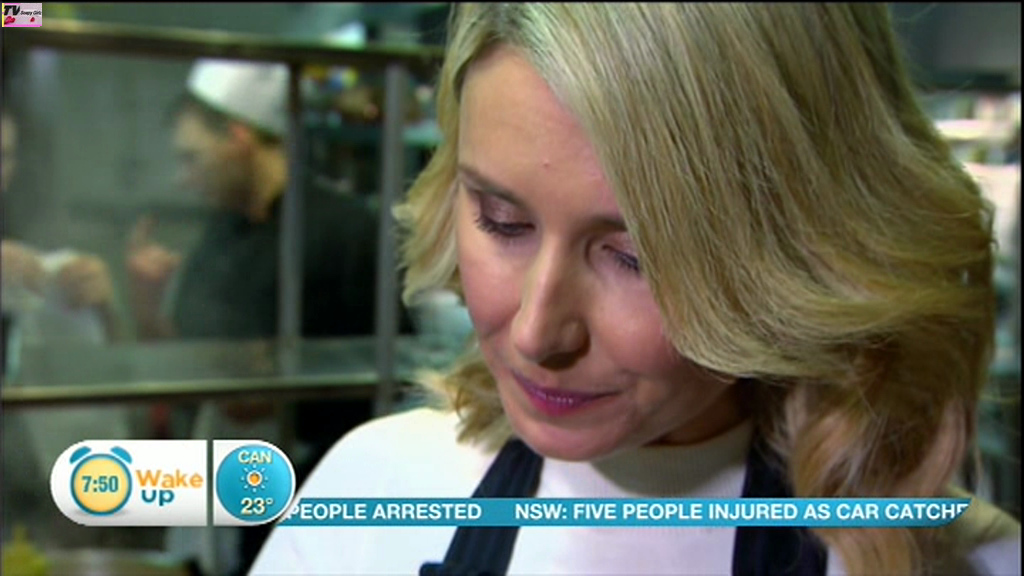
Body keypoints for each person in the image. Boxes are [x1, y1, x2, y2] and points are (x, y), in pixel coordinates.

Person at [251, 4, 1020, 576]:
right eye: (502, 221)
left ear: (801, 254)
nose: (537, 333)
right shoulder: (374, 496)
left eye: (636, 257)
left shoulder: (970, 560)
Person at [126, 59, 395, 576]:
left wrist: (271, 400)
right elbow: (184, 364)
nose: (184, 179)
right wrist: (146, 300)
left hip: (316, 506)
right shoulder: (221, 233)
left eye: (192, 158)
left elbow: (389, 386)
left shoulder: (347, 232)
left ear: (239, 138)